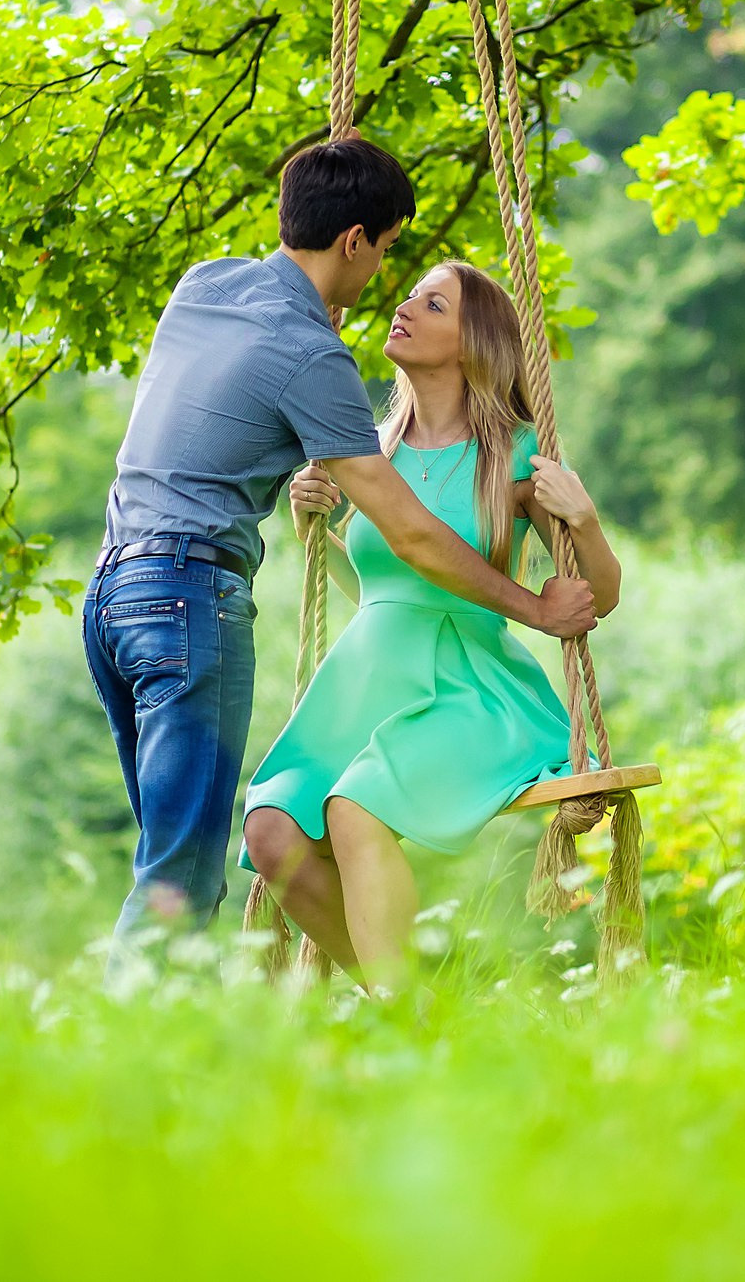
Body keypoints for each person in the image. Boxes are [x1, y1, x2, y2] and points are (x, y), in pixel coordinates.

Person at [86, 138, 598, 936]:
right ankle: (131, 1053)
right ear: (354, 240)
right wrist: (537, 609)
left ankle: (405, 1014)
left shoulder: (204, 285)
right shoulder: (316, 359)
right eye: (386, 252)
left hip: (113, 596)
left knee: (175, 856)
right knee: (183, 874)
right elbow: (411, 536)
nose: (384, 284)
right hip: (189, 600)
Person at [243, 260, 623, 990]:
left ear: (471, 341)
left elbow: (595, 598)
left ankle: (402, 1023)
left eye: (433, 302)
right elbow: (381, 586)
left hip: (464, 683)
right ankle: (421, 1001)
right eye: (410, 293)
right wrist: (309, 526)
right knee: (272, 830)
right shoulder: (368, 447)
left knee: (354, 808)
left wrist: (585, 519)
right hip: (369, 676)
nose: (405, 306)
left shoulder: (513, 452)